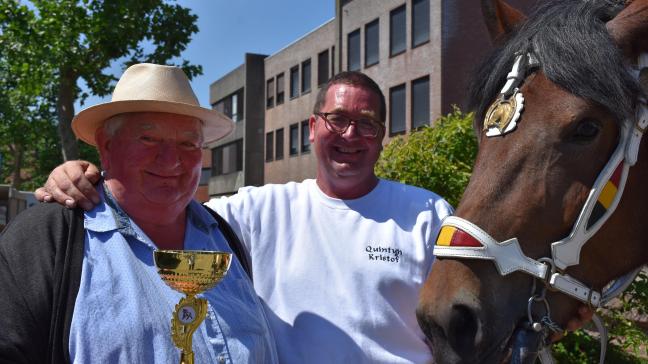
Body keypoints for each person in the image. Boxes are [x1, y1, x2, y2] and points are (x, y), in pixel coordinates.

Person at [35, 71, 592, 362]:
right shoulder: (253, 210)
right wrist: (84, 176)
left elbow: (477, 313)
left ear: (382, 137)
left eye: (367, 124)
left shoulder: (426, 212)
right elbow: (157, 203)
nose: (350, 135)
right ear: (312, 129)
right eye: (338, 119)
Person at [0, 63, 278, 364]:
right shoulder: (50, 236)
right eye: (148, 139)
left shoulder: (224, 235)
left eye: (188, 143)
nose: (172, 160)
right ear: (106, 146)